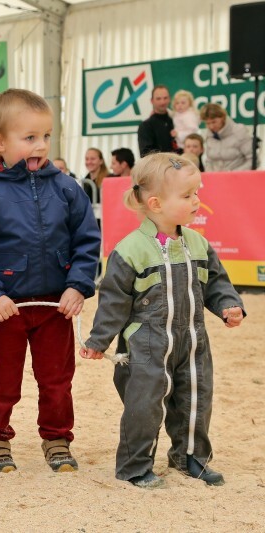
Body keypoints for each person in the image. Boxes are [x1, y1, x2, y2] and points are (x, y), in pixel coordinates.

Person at [80, 153, 246, 488]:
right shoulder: (130, 250)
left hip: (193, 342)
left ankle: (190, 457)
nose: (196, 200)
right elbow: (113, 301)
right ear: (155, 203)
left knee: (195, 401)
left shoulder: (198, 244)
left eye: (196, 193)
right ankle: (135, 466)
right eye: (187, 195)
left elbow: (216, 282)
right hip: (146, 345)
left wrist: (229, 304)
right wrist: (99, 340)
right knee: (144, 406)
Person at [0, 88, 101, 475]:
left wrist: (77, 285)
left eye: (46, 136)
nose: (40, 145)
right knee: (2, 379)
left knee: (57, 379)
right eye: (29, 137)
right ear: (0, 142)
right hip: (6, 309)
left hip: (56, 306)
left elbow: (87, 241)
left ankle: (57, 438)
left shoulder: (68, 189)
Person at [200, 103, 254, 172]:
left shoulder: (239, 131)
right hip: (216, 178)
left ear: (223, 118)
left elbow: (252, 160)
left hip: (239, 177)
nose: (211, 127)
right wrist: (210, 175)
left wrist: (233, 174)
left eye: (214, 122)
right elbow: (209, 161)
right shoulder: (209, 135)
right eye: (208, 123)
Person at [138, 85, 177, 157]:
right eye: (158, 99)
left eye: (165, 98)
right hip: (158, 163)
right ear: (152, 101)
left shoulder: (176, 121)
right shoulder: (146, 126)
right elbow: (145, 154)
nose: (162, 102)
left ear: (169, 99)